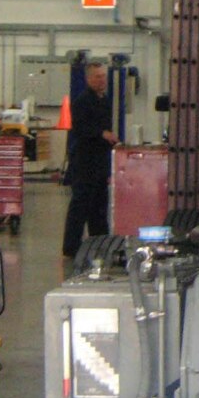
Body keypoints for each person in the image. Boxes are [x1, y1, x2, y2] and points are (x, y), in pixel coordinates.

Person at [62, 60, 116, 274]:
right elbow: (80, 127)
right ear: (88, 79)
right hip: (84, 160)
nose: (101, 80)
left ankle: (99, 242)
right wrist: (101, 133)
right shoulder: (82, 102)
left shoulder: (105, 101)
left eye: (103, 76)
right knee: (81, 202)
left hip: (100, 159)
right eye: (97, 77)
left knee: (99, 204)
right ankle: (71, 246)